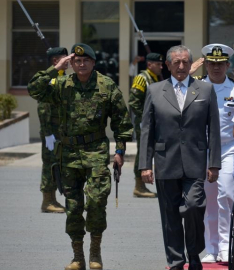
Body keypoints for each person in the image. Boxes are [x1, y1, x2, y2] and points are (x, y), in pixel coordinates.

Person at [28, 43, 133, 270]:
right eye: (76, 61)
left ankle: (95, 252)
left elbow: (121, 122)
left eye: (86, 60)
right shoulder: (62, 84)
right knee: (73, 206)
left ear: (93, 63)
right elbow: (34, 89)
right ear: (71, 63)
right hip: (69, 154)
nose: (81, 63)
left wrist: (120, 151)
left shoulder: (106, 86)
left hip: (96, 151)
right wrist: (56, 67)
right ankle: (78, 256)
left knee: (96, 202)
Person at [139, 45, 222, 270]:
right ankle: (176, 261)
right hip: (165, 161)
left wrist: (214, 163)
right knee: (170, 215)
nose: (182, 66)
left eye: (185, 62)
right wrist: (145, 165)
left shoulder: (205, 90)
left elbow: (213, 129)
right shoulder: (155, 90)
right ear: (168, 65)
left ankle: (194, 253)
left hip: (195, 161)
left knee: (194, 206)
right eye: (176, 62)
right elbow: (147, 129)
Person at [194, 44, 234, 263]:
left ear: (227, 65)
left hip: (228, 148)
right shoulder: (195, 87)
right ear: (205, 64)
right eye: (212, 64)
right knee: (208, 199)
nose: (216, 68)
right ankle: (211, 247)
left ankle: (226, 245)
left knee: (226, 195)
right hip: (202, 149)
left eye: (220, 64)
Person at [32, 47, 68, 213]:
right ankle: (47, 201)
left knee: (58, 165)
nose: (68, 61)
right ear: (56, 61)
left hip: (61, 130)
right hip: (51, 131)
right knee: (49, 164)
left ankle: (53, 198)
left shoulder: (63, 78)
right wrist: (47, 134)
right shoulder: (50, 80)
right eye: (64, 58)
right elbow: (44, 109)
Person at [129, 52, 164, 198]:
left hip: (156, 121)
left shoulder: (155, 78)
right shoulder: (142, 78)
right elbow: (134, 101)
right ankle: (139, 185)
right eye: (158, 64)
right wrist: (143, 117)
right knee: (143, 151)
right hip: (144, 122)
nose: (161, 67)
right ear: (150, 64)